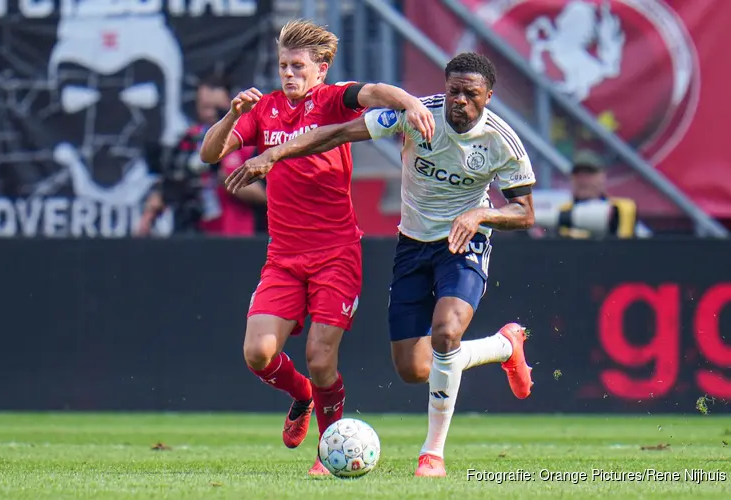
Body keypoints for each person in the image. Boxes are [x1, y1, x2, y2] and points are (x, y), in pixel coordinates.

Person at [227, 52, 536, 478]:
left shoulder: (502, 141)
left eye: (471, 94)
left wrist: (481, 214)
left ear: (488, 96)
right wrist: (274, 154)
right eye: (454, 91)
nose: (460, 101)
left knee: (446, 332)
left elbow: (525, 212)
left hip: (464, 241)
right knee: (415, 368)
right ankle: (503, 346)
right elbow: (338, 133)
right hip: (412, 244)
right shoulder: (417, 116)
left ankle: (432, 453)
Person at [199, 20, 435, 475]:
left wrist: (409, 103)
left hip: (336, 253)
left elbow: (375, 92)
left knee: (321, 359)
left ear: (321, 69)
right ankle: (302, 394)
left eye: (298, 66)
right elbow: (210, 153)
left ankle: (327, 454)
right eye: (283, 66)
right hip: (283, 257)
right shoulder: (263, 109)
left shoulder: (331, 99)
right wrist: (231, 115)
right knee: (258, 354)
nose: (289, 74)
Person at [137, 76, 266, 237]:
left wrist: (221, 173)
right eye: (205, 107)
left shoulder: (248, 141)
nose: (210, 113)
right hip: (192, 232)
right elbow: (170, 180)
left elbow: (264, 195)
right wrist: (150, 213)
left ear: (231, 104)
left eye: (216, 107)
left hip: (236, 235)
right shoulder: (190, 139)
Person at [556, 149, 650, 239]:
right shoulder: (560, 212)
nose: (583, 180)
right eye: (577, 174)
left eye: (589, 173)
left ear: (602, 176)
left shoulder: (622, 209)